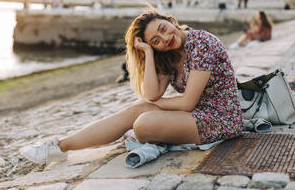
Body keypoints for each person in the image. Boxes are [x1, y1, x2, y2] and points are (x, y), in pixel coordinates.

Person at [19, 10, 244, 165]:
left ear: (170, 21)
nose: (165, 38)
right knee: (139, 112)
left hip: (221, 119)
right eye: (155, 40)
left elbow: (186, 102)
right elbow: (153, 93)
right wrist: (148, 53)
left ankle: (60, 147)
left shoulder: (202, 43)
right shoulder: (169, 53)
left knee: (143, 122)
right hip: (196, 116)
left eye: (163, 29)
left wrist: (151, 105)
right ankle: (59, 147)